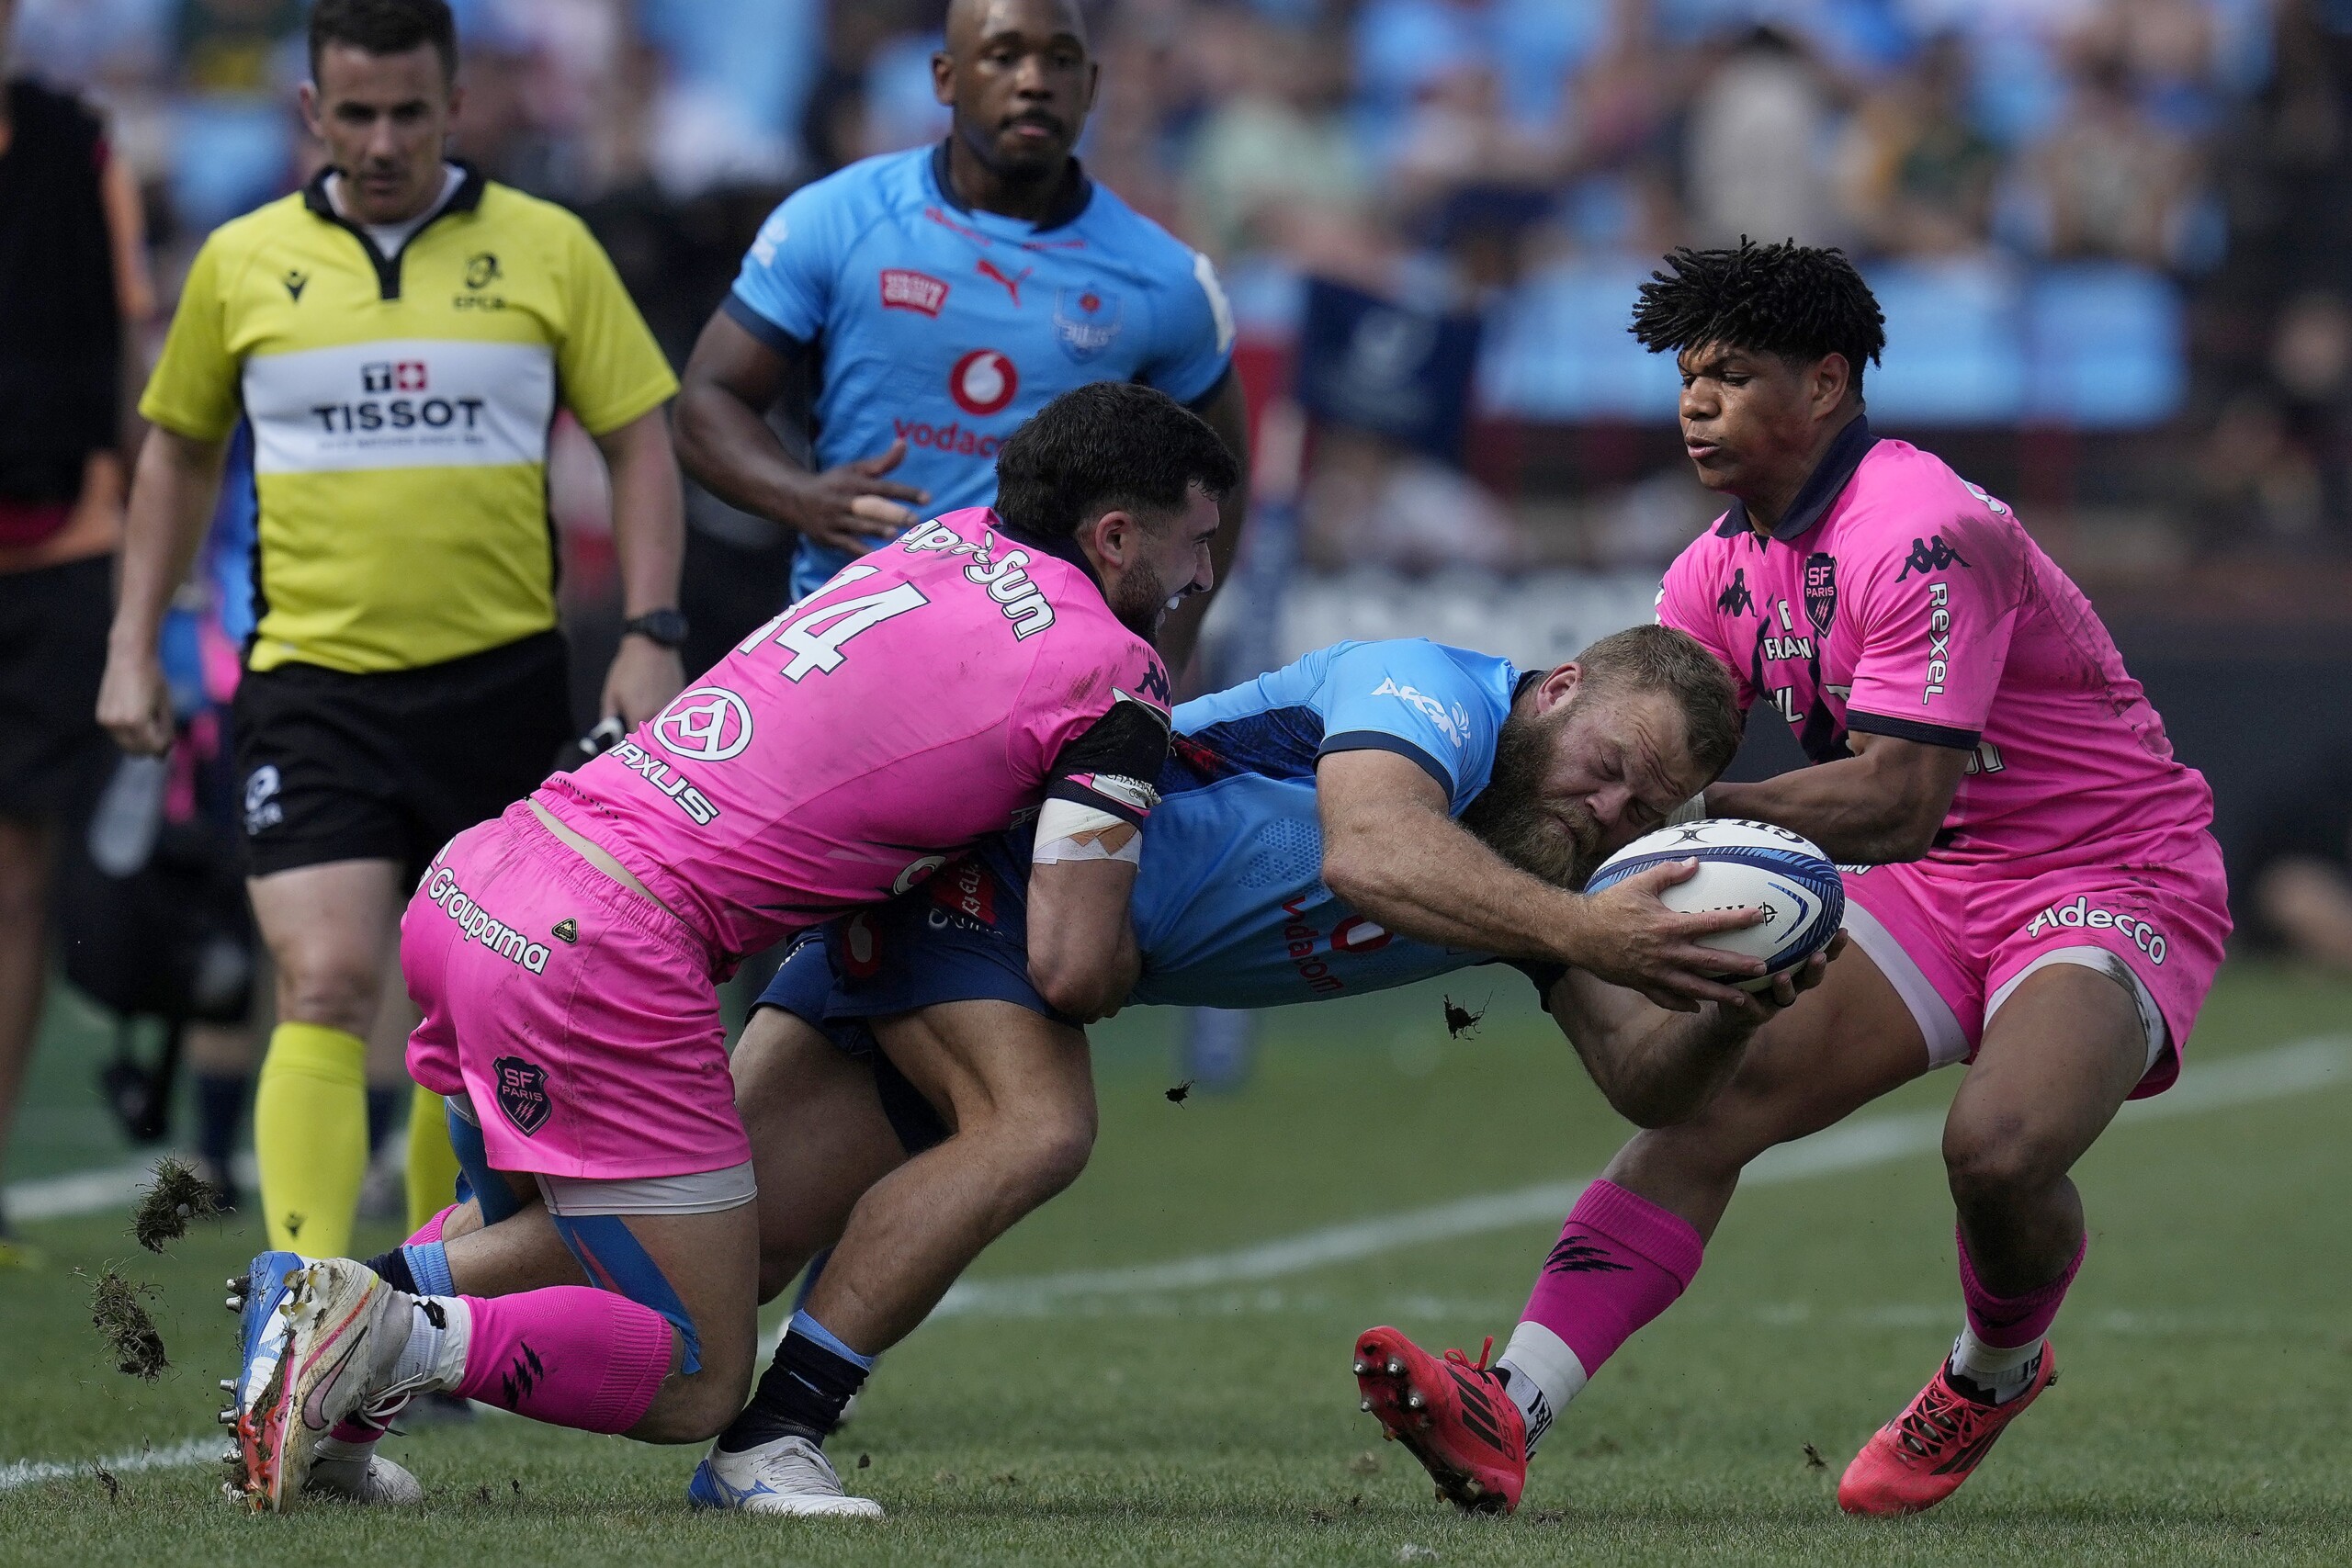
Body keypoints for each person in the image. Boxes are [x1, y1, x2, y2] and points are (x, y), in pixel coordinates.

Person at [226, 380, 1235, 1514]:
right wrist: (1187, 944)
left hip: (486, 876)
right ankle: (387, 1334)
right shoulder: (1115, 670)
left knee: (568, 1233)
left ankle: (339, 1409)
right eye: (1195, 543)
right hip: (605, 945)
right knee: (700, 1370)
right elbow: (1070, 963)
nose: (1203, 577)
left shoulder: (947, 538)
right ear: (1112, 536)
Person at [1358, 241, 2231, 1517]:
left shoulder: (1928, 533)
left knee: (1996, 1148)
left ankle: (1989, 1372)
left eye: (1733, 375)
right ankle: (1510, 1404)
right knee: (1713, 1093)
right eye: (1687, 378)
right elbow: (1650, 737)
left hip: (2107, 866)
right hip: (1939, 881)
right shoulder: (1713, 568)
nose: (1697, 403)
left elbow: (1893, 796)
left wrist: (1698, 820)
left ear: (1825, 385)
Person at [691, 625, 1833, 1515]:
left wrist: (1730, 1010)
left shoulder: (1541, 873)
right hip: (1009, 869)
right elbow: (1371, 849)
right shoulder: (1425, 689)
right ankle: (768, 1441)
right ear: (1560, 687)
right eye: (1607, 769)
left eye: (1643, 808)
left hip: (1016, 950)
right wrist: (1588, 935)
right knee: (1033, 1130)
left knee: (704, 1262)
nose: (1606, 812)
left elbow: (1642, 1082)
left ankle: (502, 1310)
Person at [97, 0, 688, 1267]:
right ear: (311, 111)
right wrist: (131, 642)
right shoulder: (242, 261)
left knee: (465, 1015)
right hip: (313, 685)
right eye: (355, 113)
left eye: (409, 112)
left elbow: (639, 440)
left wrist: (649, 627)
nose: (381, 140)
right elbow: (179, 454)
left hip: (503, 684)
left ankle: (422, 1308)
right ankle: (305, 1305)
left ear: (456, 105)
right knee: (322, 977)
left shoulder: (547, 249)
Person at [673, 0, 1250, 678]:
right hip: (840, 665)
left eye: (1060, 61)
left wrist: (1165, 665)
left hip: (1038, 681)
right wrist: (800, 496)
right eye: (1004, 56)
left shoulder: (1165, 281)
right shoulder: (838, 220)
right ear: (945, 78)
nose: (1034, 81)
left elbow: (1221, 484)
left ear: (1091, 87)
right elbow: (707, 401)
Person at [0, 0, 153, 1266]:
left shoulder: (76, 145)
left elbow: (133, 340)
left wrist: (153, 557)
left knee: (15, 878)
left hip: (58, 547)